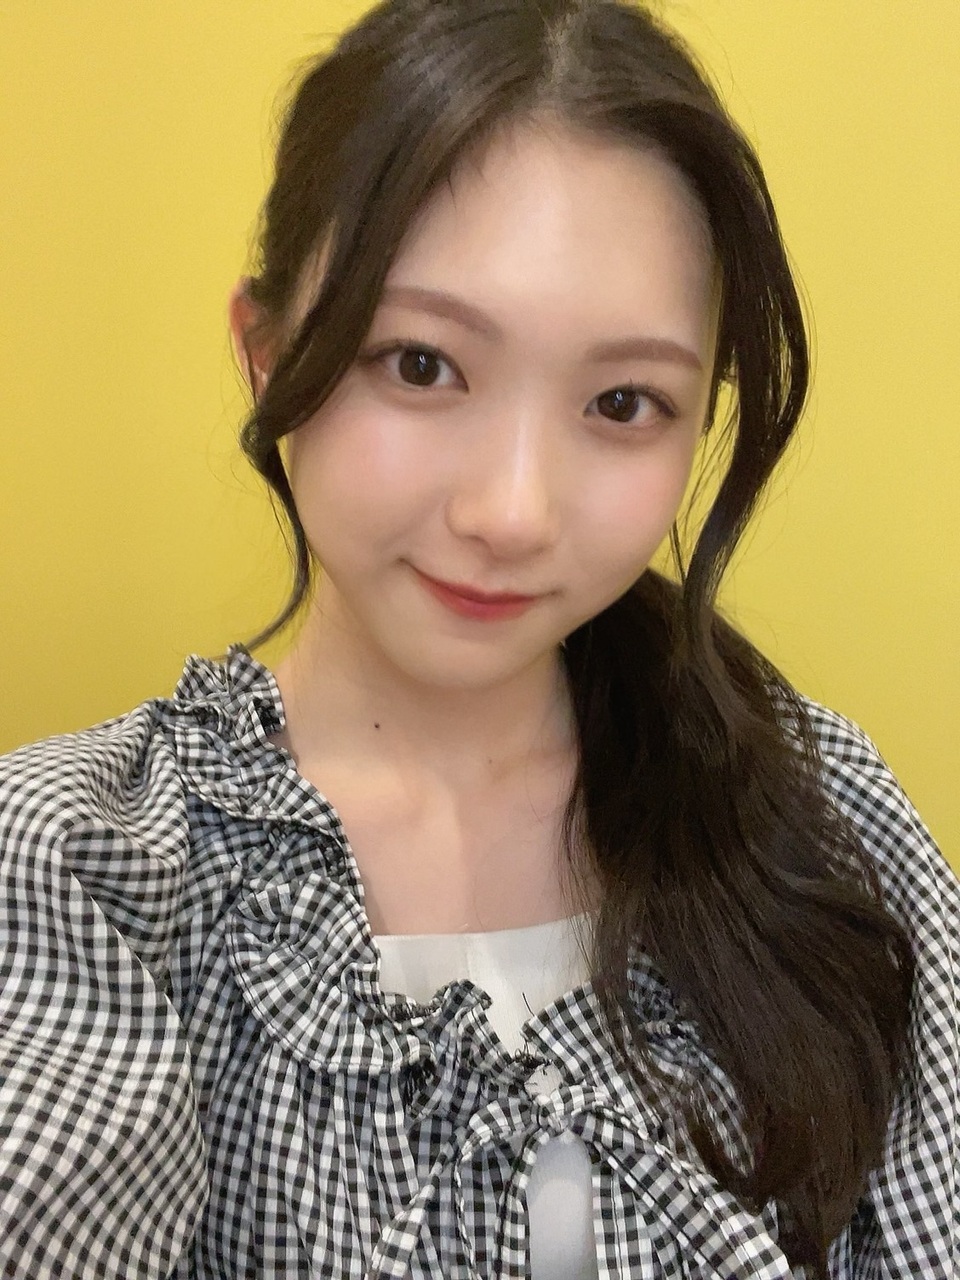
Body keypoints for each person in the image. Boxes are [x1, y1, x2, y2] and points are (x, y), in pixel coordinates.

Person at [0, 1, 956, 1276]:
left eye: (623, 400)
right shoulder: (82, 870)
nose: (513, 512)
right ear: (267, 355)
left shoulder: (822, 824)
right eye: (421, 364)